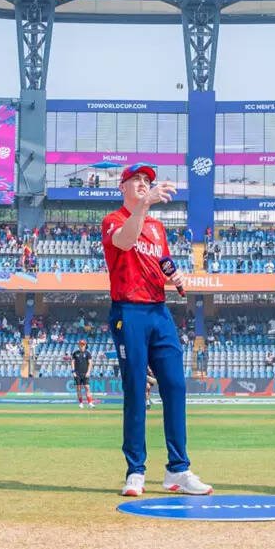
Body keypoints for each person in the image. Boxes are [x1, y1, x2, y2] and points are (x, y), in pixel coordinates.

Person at [102, 162, 211, 497]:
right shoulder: (113, 219)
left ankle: (177, 469)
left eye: (146, 180)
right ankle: (135, 470)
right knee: (136, 389)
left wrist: (173, 274)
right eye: (135, 179)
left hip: (158, 310)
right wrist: (145, 203)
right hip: (128, 310)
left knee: (175, 385)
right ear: (122, 187)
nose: (142, 183)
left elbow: (162, 259)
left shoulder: (157, 227)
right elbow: (124, 242)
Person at [72, 338, 95, 408]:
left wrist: (88, 372)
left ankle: (90, 403)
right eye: (80, 344)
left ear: (85, 345)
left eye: (83, 344)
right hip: (77, 373)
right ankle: (81, 403)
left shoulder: (88, 353)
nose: (81, 346)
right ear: (78, 345)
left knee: (87, 387)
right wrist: (73, 372)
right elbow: (72, 362)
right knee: (78, 388)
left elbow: (90, 363)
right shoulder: (75, 353)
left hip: (85, 373)